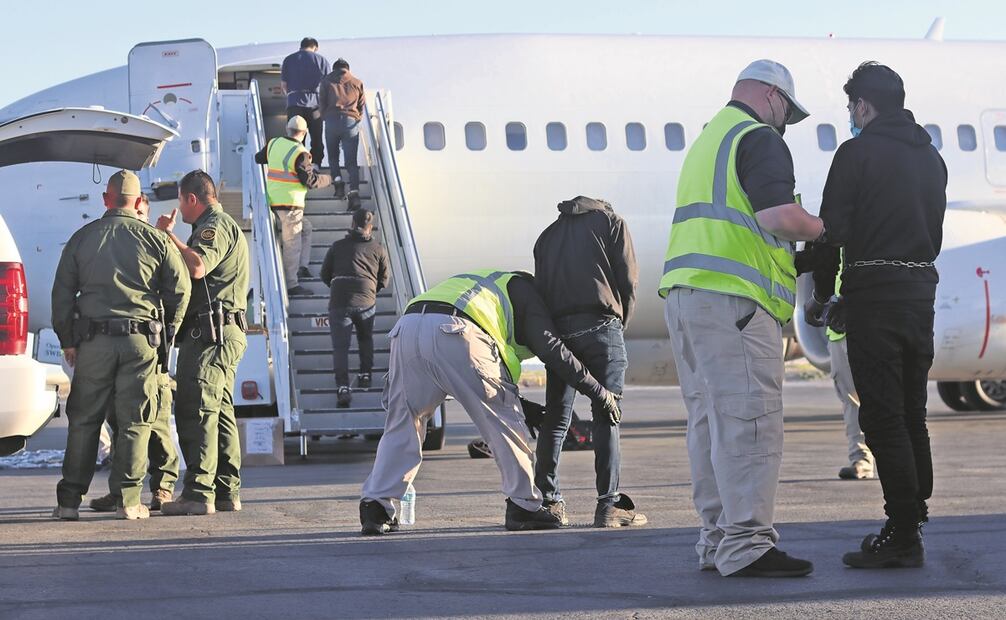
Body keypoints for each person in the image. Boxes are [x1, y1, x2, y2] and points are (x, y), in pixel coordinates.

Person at [658, 59, 824, 577]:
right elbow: (776, 216)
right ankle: (748, 543)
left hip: (687, 298)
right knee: (750, 422)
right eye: (786, 112)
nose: (784, 123)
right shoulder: (757, 137)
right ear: (774, 97)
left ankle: (716, 539)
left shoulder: (711, 138)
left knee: (710, 424)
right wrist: (825, 229)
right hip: (733, 304)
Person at [804, 62, 947, 569]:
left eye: (850, 108)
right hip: (919, 293)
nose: (850, 116)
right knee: (912, 412)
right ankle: (915, 519)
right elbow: (931, 232)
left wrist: (822, 296)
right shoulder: (932, 158)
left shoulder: (856, 153)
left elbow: (830, 233)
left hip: (874, 298)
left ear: (863, 105)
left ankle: (903, 532)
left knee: (881, 415)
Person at [359, 270, 623, 535]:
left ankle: (376, 506)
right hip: (457, 329)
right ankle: (523, 506)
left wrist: (521, 401)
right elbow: (552, 350)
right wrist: (598, 392)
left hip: (407, 328)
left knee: (404, 421)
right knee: (504, 420)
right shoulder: (530, 293)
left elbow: (479, 375)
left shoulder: (492, 285)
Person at [51, 171, 190, 521]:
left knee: (83, 420)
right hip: (141, 343)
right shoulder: (155, 240)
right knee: (135, 421)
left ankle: (68, 503)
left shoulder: (82, 238)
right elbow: (181, 290)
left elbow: (62, 295)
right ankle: (129, 501)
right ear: (140, 201)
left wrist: (68, 340)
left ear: (106, 199)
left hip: (93, 343)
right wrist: (167, 333)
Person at [532, 195, 644, 528]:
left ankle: (550, 503)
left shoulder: (547, 236)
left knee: (555, 420)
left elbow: (542, 289)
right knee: (607, 414)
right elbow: (628, 280)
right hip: (602, 326)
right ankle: (607, 506)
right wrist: (619, 322)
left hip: (561, 334)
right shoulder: (612, 223)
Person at [155, 171, 251, 516]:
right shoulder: (217, 226)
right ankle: (226, 491)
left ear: (191, 199)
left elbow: (197, 266)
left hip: (210, 335)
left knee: (197, 409)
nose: (180, 208)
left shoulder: (215, 226)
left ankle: (198, 493)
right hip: (222, 332)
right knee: (220, 411)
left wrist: (170, 237)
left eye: (181, 201)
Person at [88, 194, 182, 513]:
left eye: (140, 213)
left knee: (154, 422)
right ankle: (121, 491)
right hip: (121, 349)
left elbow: (177, 291)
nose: (135, 217)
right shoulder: (115, 246)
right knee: (119, 421)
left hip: (151, 346)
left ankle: (163, 486)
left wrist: (168, 328)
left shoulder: (154, 246)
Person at [320, 208, 390, 408]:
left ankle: (343, 387)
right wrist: (370, 290)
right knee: (365, 338)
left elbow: (325, 274)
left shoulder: (337, 246)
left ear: (352, 223)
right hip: (366, 300)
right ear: (371, 226)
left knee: (340, 347)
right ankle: (365, 374)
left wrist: (337, 287)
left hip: (340, 300)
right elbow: (384, 279)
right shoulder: (378, 248)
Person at [255, 116, 331, 296]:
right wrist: (327, 179)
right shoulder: (301, 152)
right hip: (291, 206)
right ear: (304, 134)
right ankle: (291, 284)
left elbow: (259, 158)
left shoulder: (274, 143)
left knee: (307, 228)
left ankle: (302, 267)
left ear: (287, 129)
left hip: (273, 202)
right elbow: (310, 181)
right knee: (292, 245)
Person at [319, 57, 365, 210]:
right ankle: (354, 194)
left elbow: (322, 104)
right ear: (348, 69)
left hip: (331, 121)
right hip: (350, 122)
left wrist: (326, 116)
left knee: (333, 156)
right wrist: (356, 117)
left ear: (334, 69)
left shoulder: (326, 82)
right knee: (351, 161)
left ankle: (338, 184)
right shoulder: (357, 82)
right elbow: (361, 106)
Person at [281, 37, 330, 164]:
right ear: (315, 47)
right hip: (315, 105)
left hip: (294, 103)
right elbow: (328, 86)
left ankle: (298, 164)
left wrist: (291, 96)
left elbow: (284, 86)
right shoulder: (322, 61)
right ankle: (315, 164)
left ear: (301, 46)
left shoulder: (289, 60)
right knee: (316, 137)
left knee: (295, 137)